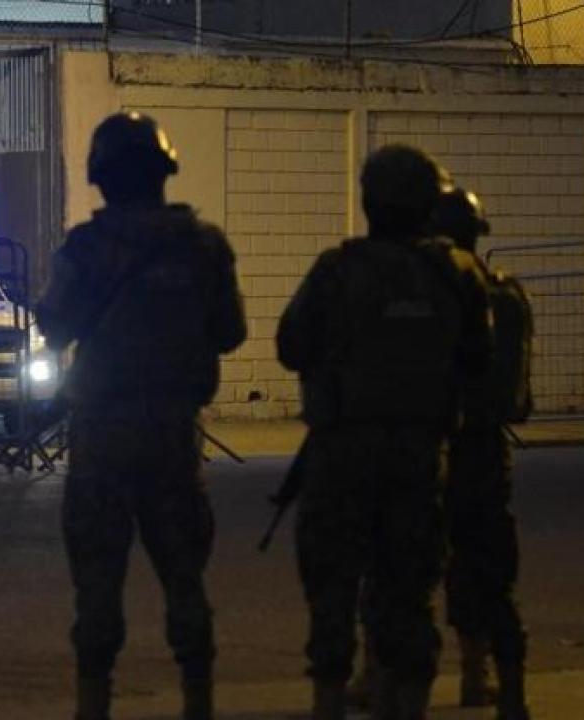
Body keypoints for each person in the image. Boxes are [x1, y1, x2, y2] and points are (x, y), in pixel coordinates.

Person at [36, 111, 247, 720]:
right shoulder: (204, 247)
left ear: (101, 177)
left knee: (97, 586)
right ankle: (198, 702)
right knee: (185, 579)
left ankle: (93, 705)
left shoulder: (86, 248)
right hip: (172, 435)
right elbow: (230, 333)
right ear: (163, 172)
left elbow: (54, 327)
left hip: (102, 439)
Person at [276, 145, 491, 720]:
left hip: (340, 455)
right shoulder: (456, 275)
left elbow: (290, 346)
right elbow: (479, 359)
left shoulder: (336, 270)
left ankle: (330, 701)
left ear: (369, 200)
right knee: (410, 590)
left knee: (333, 590)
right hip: (419, 458)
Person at [434, 187, 534, 720]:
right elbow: (519, 399)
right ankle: (488, 678)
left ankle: (378, 679)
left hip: (422, 447)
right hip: (484, 448)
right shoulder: (506, 296)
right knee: (489, 569)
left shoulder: (422, 292)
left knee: (398, 567)